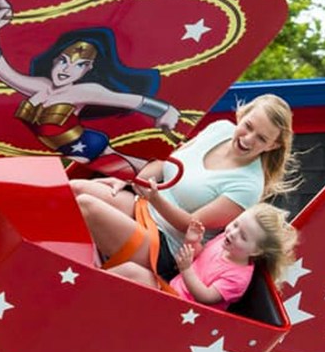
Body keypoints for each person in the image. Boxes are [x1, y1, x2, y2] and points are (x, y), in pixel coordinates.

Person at [74, 93, 298, 278]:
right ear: (242, 115)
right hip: (144, 207)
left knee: (86, 206)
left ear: (272, 145)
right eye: (248, 126)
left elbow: (192, 225)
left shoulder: (249, 185)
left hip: (167, 246)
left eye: (261, 138)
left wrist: (156, 199)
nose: (248, 139)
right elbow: (167, 160)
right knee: (74, 189)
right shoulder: (220, 129)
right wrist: (129, 180)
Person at [0, 0, 181, 179]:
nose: (67, 69)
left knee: (151, 179)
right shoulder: (40, 86)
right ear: (54, 60)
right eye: (63, 61)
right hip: (65, 159)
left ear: (87, 70)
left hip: (91, 150)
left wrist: (165, 111)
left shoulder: (83, 91)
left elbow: (130, 100)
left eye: (79, 65)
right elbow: (4, 72)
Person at [107, 204, 299, 309]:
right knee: (130, 271)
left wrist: (186, 270)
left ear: (255, 251)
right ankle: (93, 283)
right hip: (171, 289)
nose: (232, 233)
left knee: (133, 273)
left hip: (181, 308)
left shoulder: (238, 277)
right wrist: (192, 241)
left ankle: (89, 286)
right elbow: (200, 257)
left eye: (243, 236)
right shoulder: (225, 241)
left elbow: (206, 297)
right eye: (236, 225)